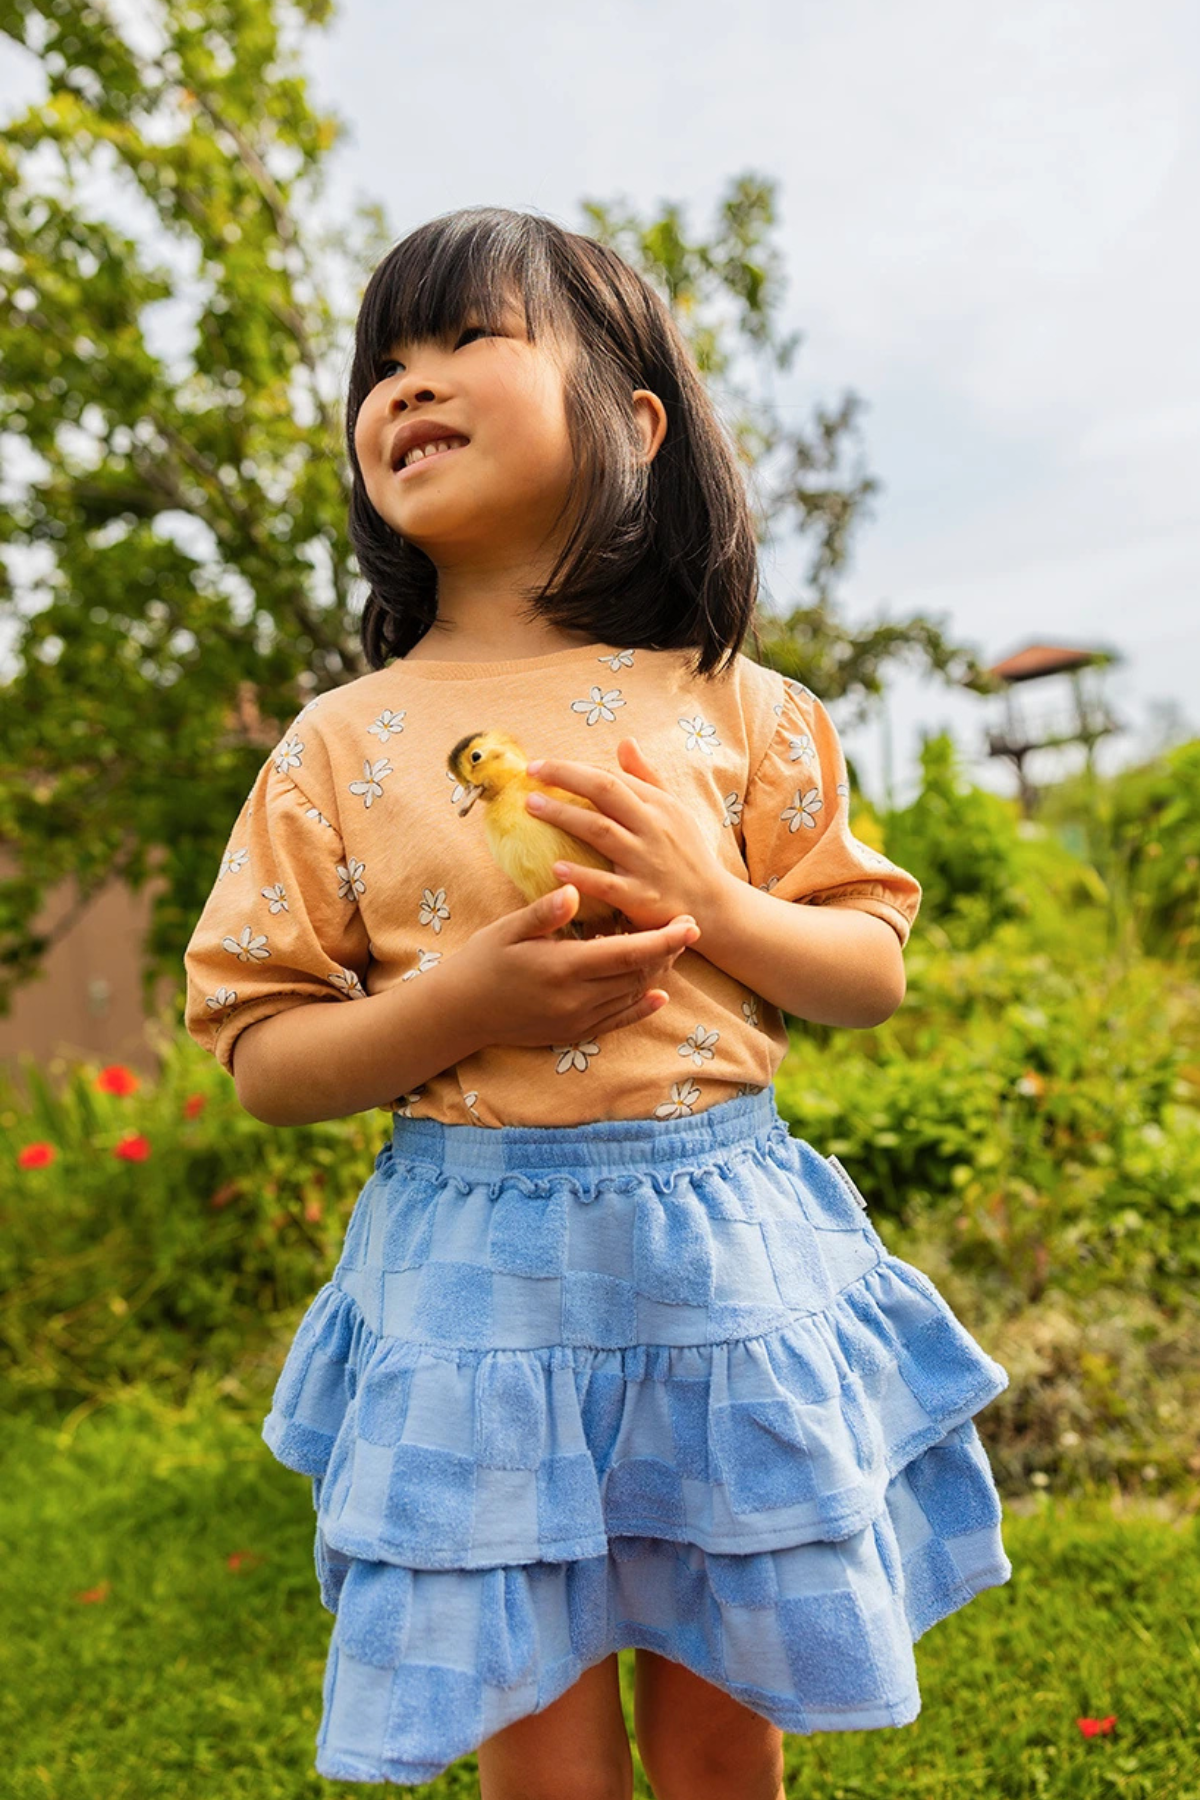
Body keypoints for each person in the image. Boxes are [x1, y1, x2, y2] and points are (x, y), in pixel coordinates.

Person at [182, 206, 1011, 1799]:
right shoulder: (339, 744)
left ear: (632, 423)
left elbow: (867, 967)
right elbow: (269, 1055)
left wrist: (722, 903)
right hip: (477, 1288)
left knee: (719, 1730)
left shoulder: (738, 703)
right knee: (540, 1746)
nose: (408, 386)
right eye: (384, 364)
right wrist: (460, 1003)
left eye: (467, 340)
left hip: (715, 1265)